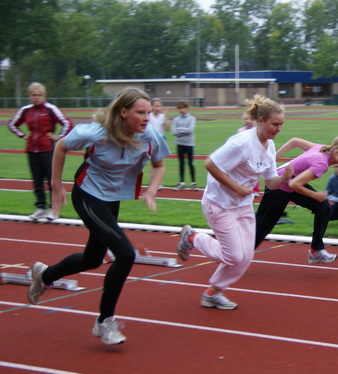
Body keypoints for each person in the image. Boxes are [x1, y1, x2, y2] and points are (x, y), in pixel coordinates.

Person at [27, 87, 171, 345]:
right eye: (141, 112)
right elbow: (60, 146)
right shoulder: (96, 133)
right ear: (123, 112)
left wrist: (151, 190)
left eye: (149, 112)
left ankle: (45, 275)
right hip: (88, 194)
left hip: (111, 199)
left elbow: (159, 165)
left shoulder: (149, 135)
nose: (148, 118)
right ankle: (105, 322)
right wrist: (57, 185)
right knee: (126, 254)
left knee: (93, 259)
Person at [176, 94, 292, 310]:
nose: (278, 129)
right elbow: (210, 164)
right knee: (233, 255)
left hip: (243, 205)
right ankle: (192, 237)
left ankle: (212, 293)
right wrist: (237, 188)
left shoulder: (270, 147)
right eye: (274, 124)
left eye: (281, 124)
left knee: (245, 257)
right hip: (219, 203)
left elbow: (271, 182)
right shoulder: (242, 143)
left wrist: (284, 179)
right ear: (261, 121)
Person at [255, 135, 338, 264]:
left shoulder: (321, 148)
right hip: (279, 187)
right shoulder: (322, 164)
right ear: (337, 153)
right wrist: (316, 195)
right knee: (262, 227)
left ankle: (316, 251)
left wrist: (275, 156)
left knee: (323, 207)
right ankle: (235, 255)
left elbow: (295, 141)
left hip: (289, 183)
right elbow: (294, 184)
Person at [8, 82, 74, 221]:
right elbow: (12, 124)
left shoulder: (50, 109)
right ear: (29, 96)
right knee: (37, 181)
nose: (36, 97)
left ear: (43, 95)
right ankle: (40, 207)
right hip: (32, 150)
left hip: (48, 149)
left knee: (51, 180)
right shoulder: (26, 110)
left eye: (39, 95)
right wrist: (22, 135)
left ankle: (54, 209)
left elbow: (67, 123)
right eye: (33, 95)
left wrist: (59, 137)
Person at [171, 100, 197, 190]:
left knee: (191, 163)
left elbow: (190, 130)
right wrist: (184, 130)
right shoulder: (176, 120)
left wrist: (179, 130)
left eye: (183, 108)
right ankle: (181, 182)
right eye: (180, 108)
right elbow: (173, 132)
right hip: (180, 144)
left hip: (189, 144)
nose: (181, 110)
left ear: (187, 108)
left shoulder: (191, 118)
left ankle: (193, 183)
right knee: (181, 163)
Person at [237, 113, 261, 197]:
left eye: (250, 119)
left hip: (254, 154)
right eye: (246, 119)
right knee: (243, 172)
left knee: (255, 172)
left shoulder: (256, 130)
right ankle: (244, 188)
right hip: (244, 155)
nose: (248, 121)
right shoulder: (241, 130)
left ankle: (255, 190)